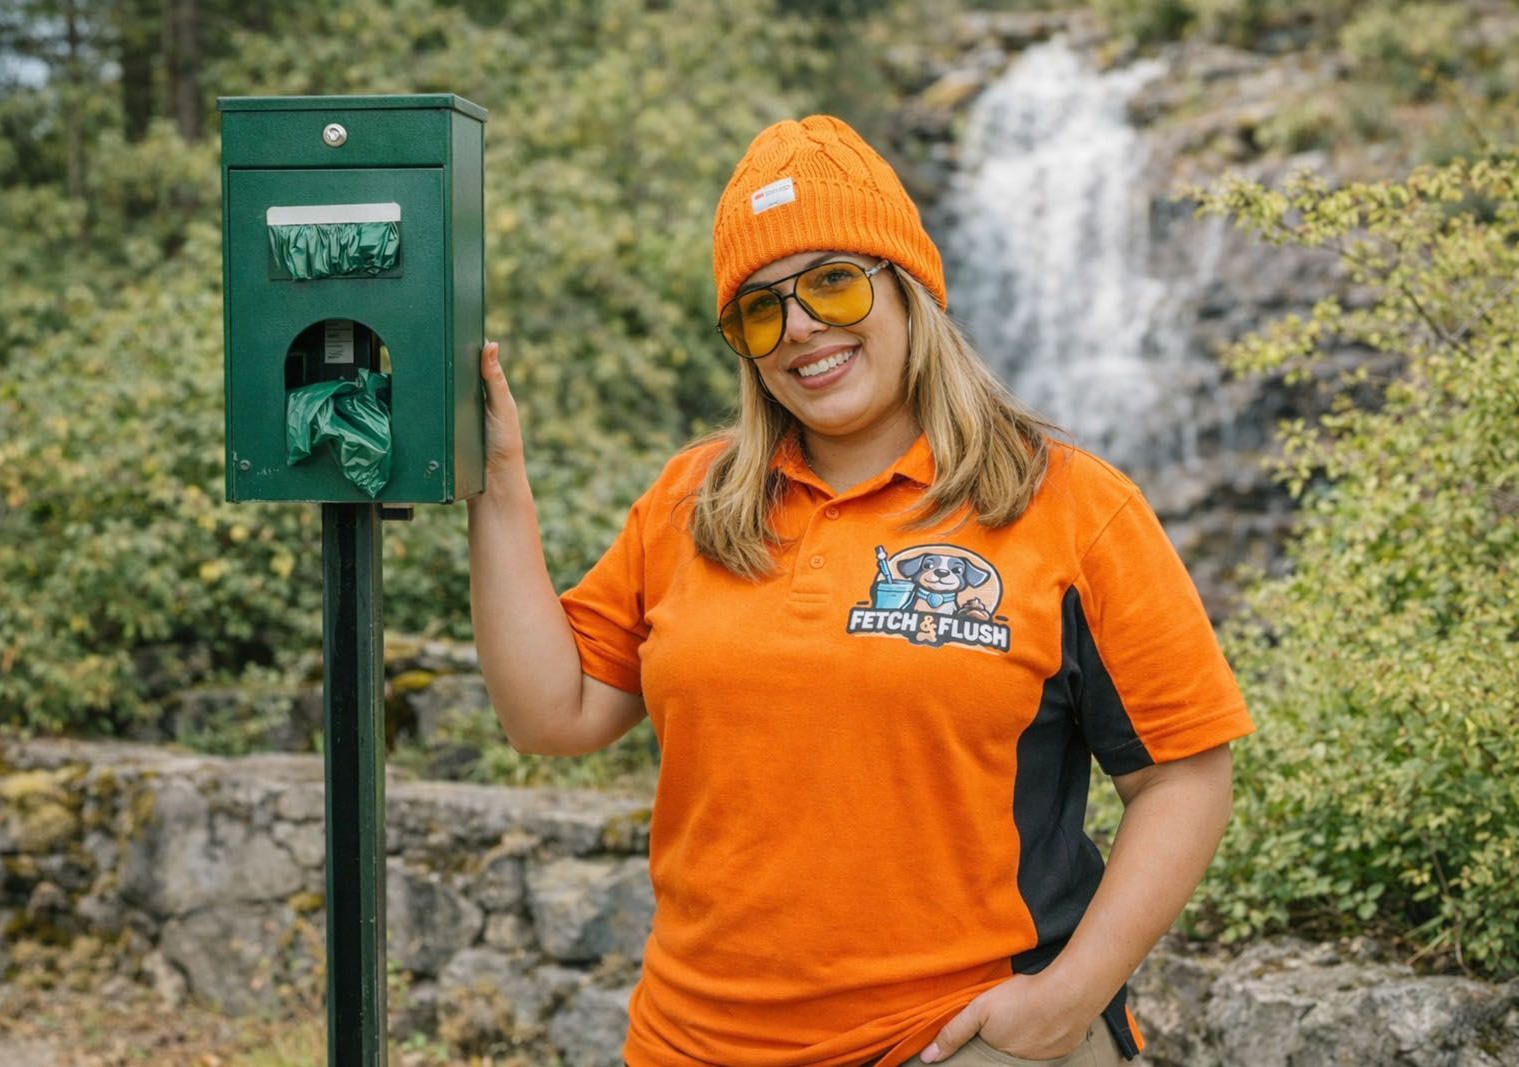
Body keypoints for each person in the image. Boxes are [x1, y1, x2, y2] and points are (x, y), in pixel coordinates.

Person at [468, 115, 1253, 1067]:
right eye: (759, 308)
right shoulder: (690, 503)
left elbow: (1182, 775)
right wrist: (498, 485)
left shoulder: (1071, 506)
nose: (799, 326)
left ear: (910, 286)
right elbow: (553, 712)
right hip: (688, 1045)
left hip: (959, 1045)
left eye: (832, 283)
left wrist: (1066, 1001)